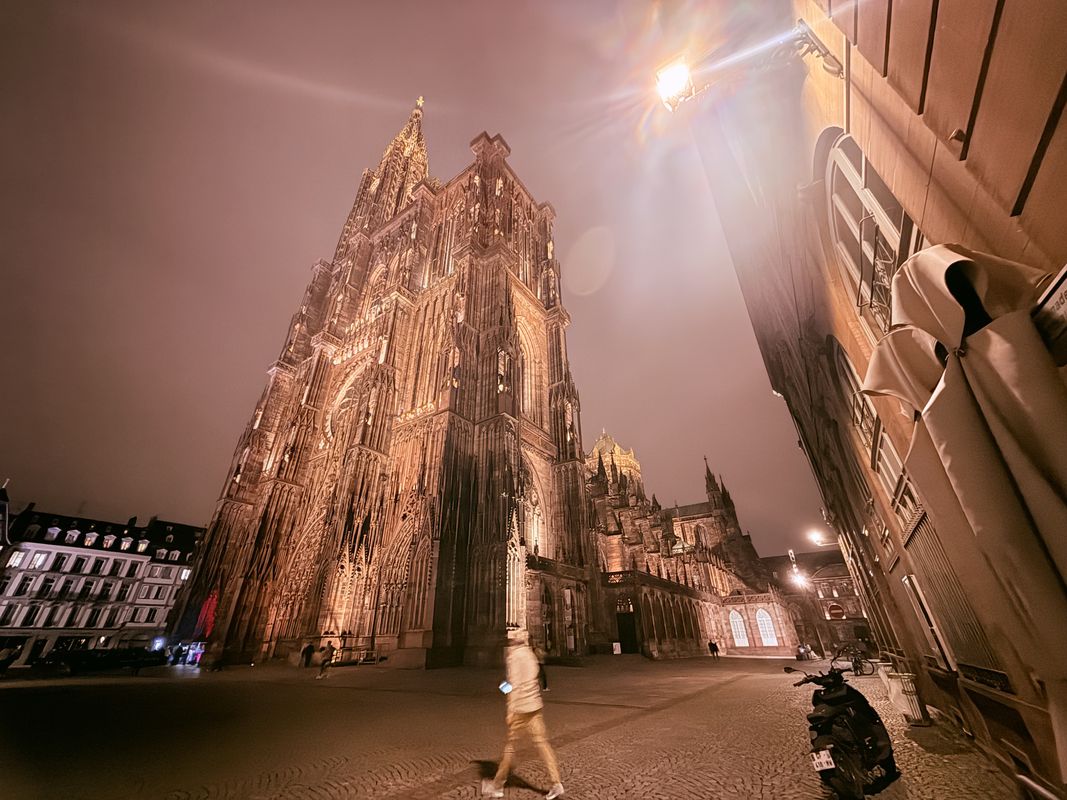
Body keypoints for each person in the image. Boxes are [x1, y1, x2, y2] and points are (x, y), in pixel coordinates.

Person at [482, 630, 564, 799]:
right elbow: (533, 678)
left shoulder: (514, 657)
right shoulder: (530, 655)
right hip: (535, 705)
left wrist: (508, 703)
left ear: (513, 642)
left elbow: (514, 685)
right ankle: (556, 783)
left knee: (510, 747)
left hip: (521, 708)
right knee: (543, 744)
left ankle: (497, 785)